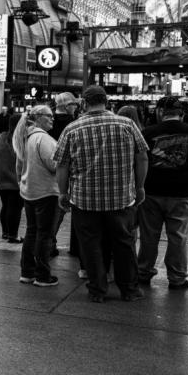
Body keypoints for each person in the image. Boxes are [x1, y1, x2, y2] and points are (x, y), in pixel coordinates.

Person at [54, 85, 148, 303]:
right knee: (124, 244)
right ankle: (130, 290)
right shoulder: (127, 124)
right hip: (121, 199)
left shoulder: (72, 128)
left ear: (85, 104)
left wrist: (62, 193)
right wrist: (140, 186)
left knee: (90, 245)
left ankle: (97, 290)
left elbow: (62, 166)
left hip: (84, 201)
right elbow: (142, 157)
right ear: (106, 101)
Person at [137, 97, 188, 290]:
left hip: (151, 191)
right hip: (182, 192)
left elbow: (140, 163)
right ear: (182, 113)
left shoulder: (148, 132)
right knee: (178, 236)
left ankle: (143, 272)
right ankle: (177, 278)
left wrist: (140, 186)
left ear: (160, 112)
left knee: (148, 235)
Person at [13, 105, 60, 286]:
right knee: (44, 235)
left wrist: (22, 184)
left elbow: (18, 168)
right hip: (46, 192)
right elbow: (54, 165)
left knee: (32, 232)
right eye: (49, 116)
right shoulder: (43, 138)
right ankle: (43, 276)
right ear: (39, 117)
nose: (52, 119)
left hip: (29, 192)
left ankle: (27, 272)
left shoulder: (25, 137)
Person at [49, 92, 80, 258]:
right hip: (70, 173)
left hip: (49, 171)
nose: (76, 107)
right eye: (74, 104)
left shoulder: (49, 120)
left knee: (54, 212)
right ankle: (75, 247)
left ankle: (50, 242)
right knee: (68, 211)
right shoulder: (74, 123)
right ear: (67, 106)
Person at [0, 113, 23, 243]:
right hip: (14, 179)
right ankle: (13, 235)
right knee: (14, 208)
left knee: (6, 206)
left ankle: (5, 232)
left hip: (0, 178)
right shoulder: (19, 139)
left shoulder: (1, 138)